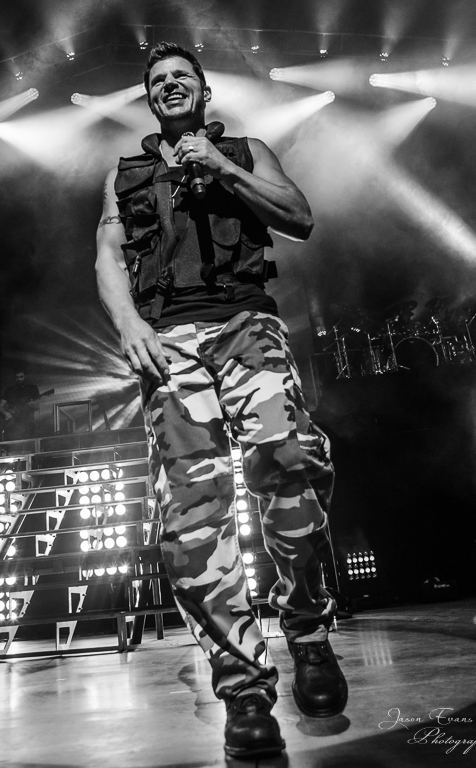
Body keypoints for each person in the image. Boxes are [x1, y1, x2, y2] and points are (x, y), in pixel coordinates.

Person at [95, 41, 347, 759]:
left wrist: (223, 167)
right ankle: (243, 688)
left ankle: (307, 628)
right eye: (158, 80)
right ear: (150, 99)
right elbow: (107, 256)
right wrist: (130, 324)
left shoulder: (246, 150)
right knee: (192, 517)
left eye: (182, 76)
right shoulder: (125, 175)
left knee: (290, 460)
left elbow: (298, 216)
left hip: (245, 324)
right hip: (168, 342)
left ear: (204, 92)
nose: (170, 85)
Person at [0, 369, 40, 441]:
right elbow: (0, 406)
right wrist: (5, 413)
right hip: (12, 424)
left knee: (28, 443)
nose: (19, 379)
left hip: (28, 423)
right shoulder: (9, 389)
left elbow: (37, 407)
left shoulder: (33, 388)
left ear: (25, 376)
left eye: (21, 377)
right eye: (17, 377)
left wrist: (32, 405)